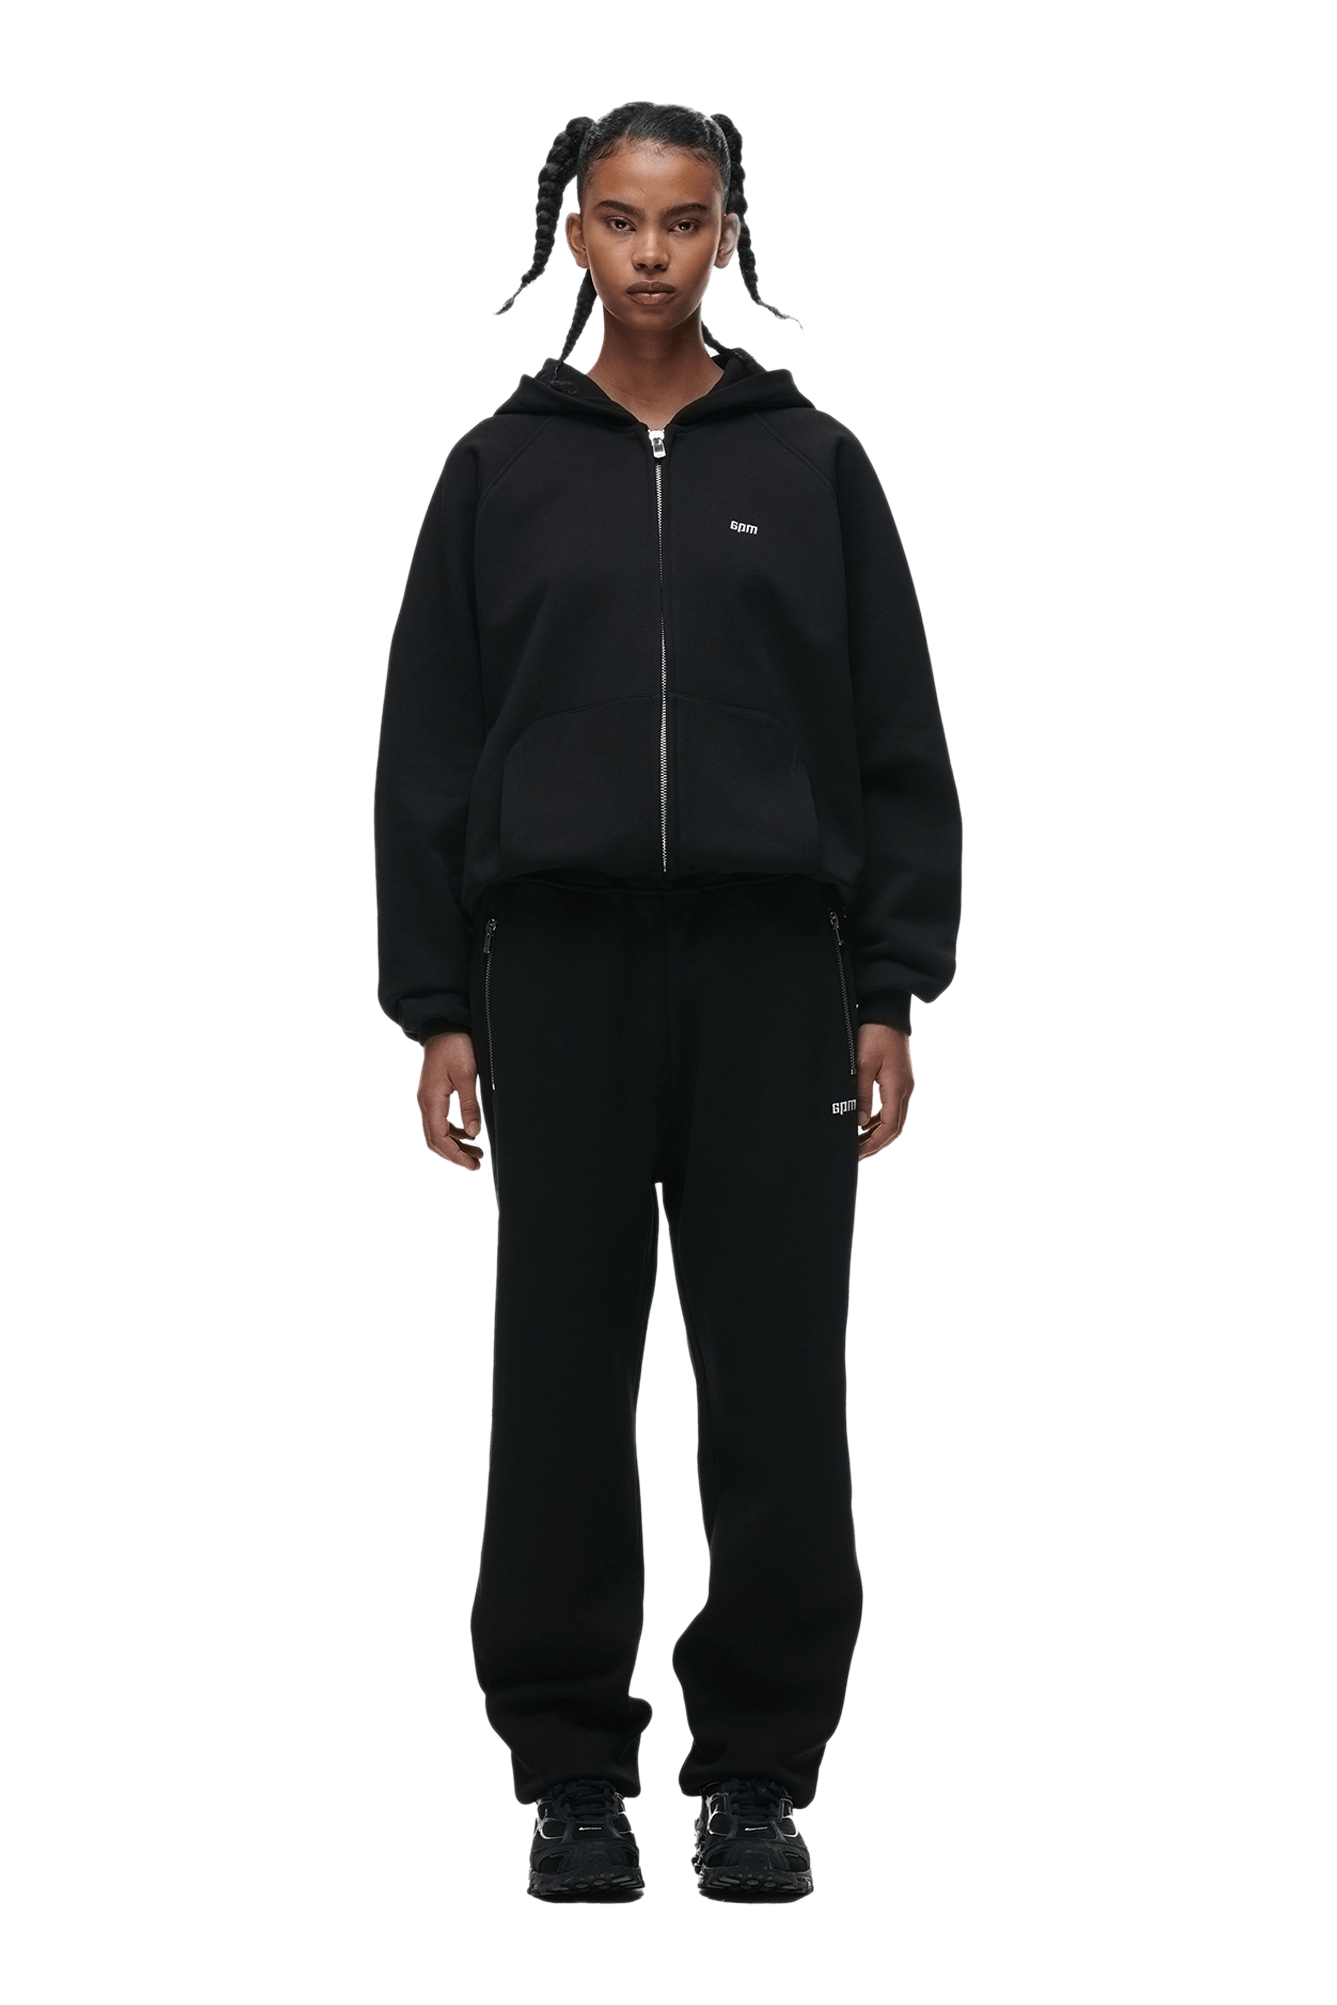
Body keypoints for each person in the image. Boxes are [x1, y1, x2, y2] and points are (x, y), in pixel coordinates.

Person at [372, 99, 963, 1906]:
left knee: (776, 1381)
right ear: (572, 232)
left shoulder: (818, 464)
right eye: (621, 219)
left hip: (776, 978)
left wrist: (888, 986)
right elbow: (429, 751)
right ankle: (571, 1776)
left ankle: (759, 1776)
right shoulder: (497, 471)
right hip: (553, 974)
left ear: (730, 239)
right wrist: (439, 1004)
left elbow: (894, 741)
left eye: (685, 221)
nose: (652, 253)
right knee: (559, 1375)